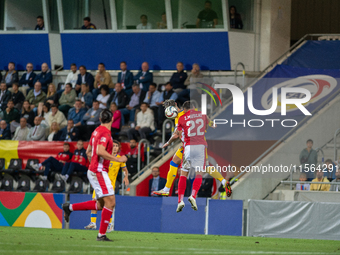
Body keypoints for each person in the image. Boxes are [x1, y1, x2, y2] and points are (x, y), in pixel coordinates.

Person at [62, 109, 127, 241]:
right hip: (99, 171)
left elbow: (88, 151)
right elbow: (99, 150)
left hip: (96, 170)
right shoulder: (105, 133)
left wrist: (95, 161)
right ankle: (101, 235)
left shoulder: (96, 130)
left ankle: (69, 207)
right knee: (111, 202)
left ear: (100, 119)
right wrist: (117, 159)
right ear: (112, 120)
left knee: (100, 205)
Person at [154, 100, 230, 197]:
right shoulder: (187, 114)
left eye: (169, 108)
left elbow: (177, 135)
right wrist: (212, 124)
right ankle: (166, 189)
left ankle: (167, 189)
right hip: (197, 143)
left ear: (175, 106)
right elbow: (205, 118)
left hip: (191, 145)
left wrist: (168, 142)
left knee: (200, 167)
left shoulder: (180, 117)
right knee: (175, 162)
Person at [84, 139, 129, 232]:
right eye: (114, 146)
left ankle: (109, 225)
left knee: (108, 205)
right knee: (94, 202)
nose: (115, 148)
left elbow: (125, 170)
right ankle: (93, 223)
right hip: (99, 184)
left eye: (117, 146)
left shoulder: (119, 159)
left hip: (110, 186)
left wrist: (126, 177)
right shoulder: (104, 157)